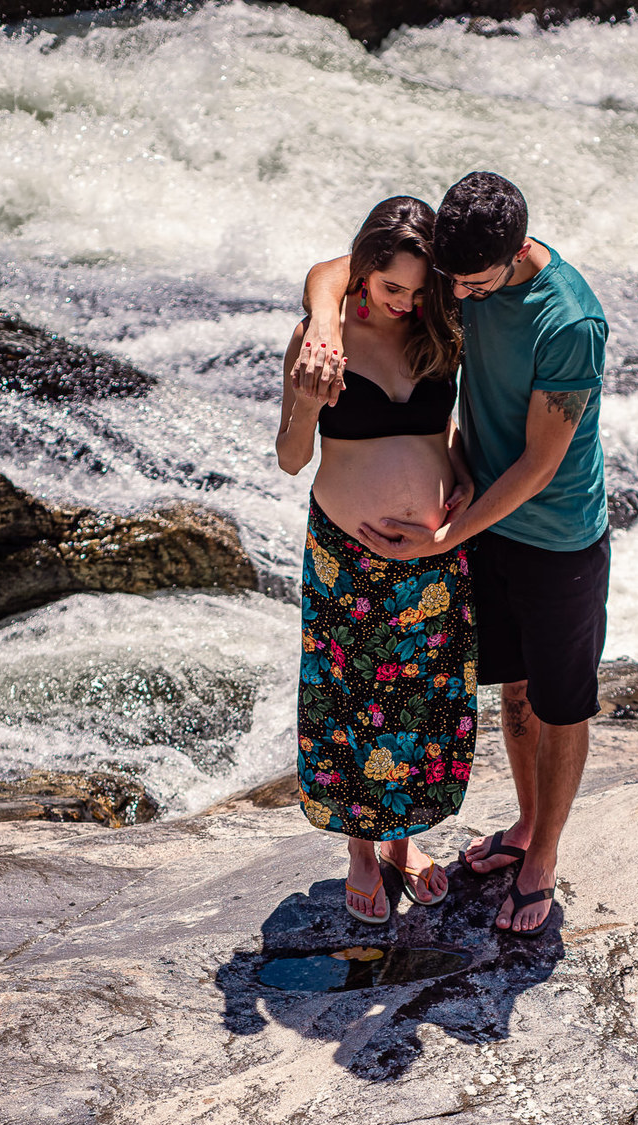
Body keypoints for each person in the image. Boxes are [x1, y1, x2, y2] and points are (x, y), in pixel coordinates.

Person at [301, 171, 609, 936]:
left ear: (515, 254)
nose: (459, 298)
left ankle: (542, 860)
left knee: (560, 702)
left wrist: (442, 538)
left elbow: (538, 467)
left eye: (473, 284)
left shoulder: (568, 321)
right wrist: (323, 324)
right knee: (507, 691)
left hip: (555, 535)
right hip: (483, 529)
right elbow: (347, 266)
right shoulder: (454, 275)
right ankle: (522, 831)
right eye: (453, 281)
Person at [277, 195, 477, 924]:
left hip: (432, 556)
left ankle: (399, 841)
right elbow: (291, 457)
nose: (406, 302)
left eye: (420, 291)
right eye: (393, 288)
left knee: (419, 706)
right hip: (346, 558)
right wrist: (305, 398)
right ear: (363, 272)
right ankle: (361, 852)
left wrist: (455, 467)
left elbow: (446, 427)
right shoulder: (320, 338)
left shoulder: (441, 328)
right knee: (351, 705)